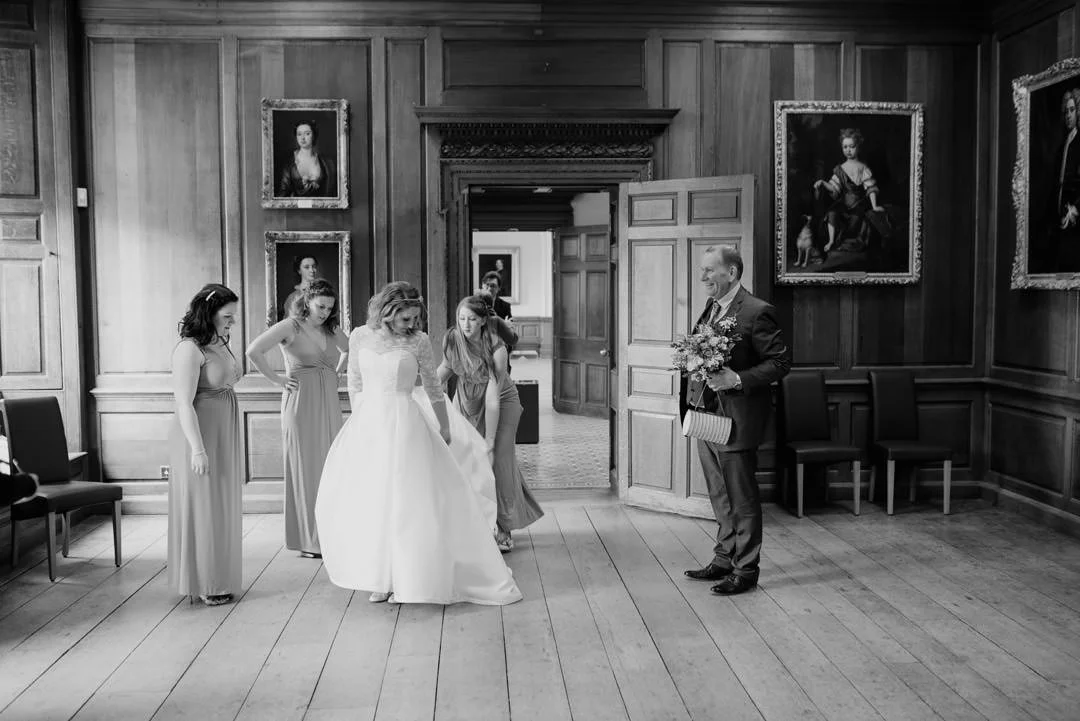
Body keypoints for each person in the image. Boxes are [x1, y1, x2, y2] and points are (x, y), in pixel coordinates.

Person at [315, 281, 521, 606]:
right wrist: (361, 421)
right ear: (387, 312)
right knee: (374, 500)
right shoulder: (359, 336)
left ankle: (406, 576)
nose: (411, 324)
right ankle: (379, 576)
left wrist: (443, 425)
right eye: (404, 318)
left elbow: (434, 386)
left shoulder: (419, 341)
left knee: (407, 501)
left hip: (406, 424)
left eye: (414, 318)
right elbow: (354, 380)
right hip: (369, 426)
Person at [680, 247, 790, 596]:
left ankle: (746, 570)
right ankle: (724, 558)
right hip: (706, 416)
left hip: (738, 420)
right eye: (702, 271)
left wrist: (737, 379)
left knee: (741, 498)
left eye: (709, 271)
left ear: (731, 272)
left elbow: (780, 364)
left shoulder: (758, 311)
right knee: (719, 494)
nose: (702, 278)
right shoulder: (713, 308)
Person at [247, 279, 348, 559]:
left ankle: (330, 534)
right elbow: (253, 351)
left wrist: (337, 371)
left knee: (329, 465)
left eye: (330, 307)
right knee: (304, 467)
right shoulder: (290, 326)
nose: (325, 312)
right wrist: (277, 379)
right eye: (321, 306)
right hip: (300, 402)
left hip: (328, 401)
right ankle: (309, 540)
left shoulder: (331, 329)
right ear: (307, 302)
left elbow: (351, 349)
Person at [439, 295, 543, 553]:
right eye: (461, 318)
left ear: (484, 320)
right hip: (466, 401)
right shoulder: (452, 339)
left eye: (472, 319)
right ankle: (476, 523)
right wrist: (414, 388)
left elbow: (493, 396)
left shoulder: (496, 347)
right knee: (469, 462)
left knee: (498, 461)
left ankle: (504, 527)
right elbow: (443, 370)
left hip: (501, 402)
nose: (466, 324)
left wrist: (490, 440)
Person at [168, 283, 243, 606]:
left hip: (223, 427)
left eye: (233, 317)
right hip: (198, 434)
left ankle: (219, 574)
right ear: (209, 313)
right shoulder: (189, 349)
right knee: (203, 506)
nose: (232, 322)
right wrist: (198, 449)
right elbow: (183, 403)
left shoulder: (221, 341)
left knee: (220, 505)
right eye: (227, 316)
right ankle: (204, 581)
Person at [813, 128, 887, 254]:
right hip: (844, 204)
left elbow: (870, 188)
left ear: (858, 146)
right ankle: (831, 241)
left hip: (859, 205)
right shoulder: (840, 169)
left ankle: (844, 240)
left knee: (854, 225)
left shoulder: (863, 167)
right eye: (845, 147)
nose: (848, 150)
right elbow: (834, 188)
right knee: (832, 212)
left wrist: (874, 206)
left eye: (851, 146)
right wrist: (823, 183)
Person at [277, 119, 336, 198]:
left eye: (307, 134)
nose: (302, 138)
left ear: (314, 135)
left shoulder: (327, 163)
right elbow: (283, 192)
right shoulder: (289, 162)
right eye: (299, 134)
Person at [282, 255, 319, 320]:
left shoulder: (322, 292)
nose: (312, 270)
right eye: (307, 267)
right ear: (299, 271)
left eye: (314, 266)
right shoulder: (292, 297)